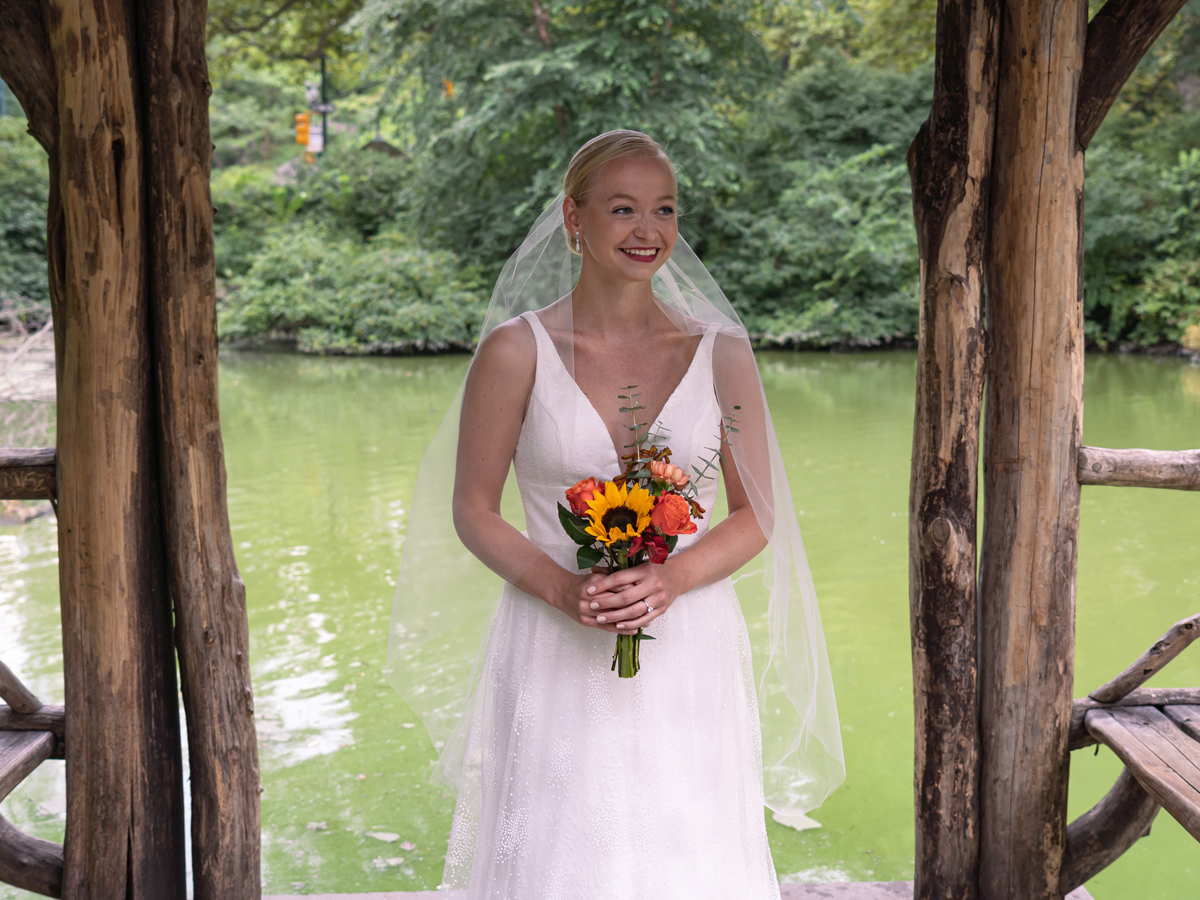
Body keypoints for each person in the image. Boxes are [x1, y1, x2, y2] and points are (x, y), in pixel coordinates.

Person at [389, 130, 843, 899]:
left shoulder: (721, 352)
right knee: (565, 856)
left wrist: (672, 579)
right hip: (554, 637)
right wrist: (558, 587)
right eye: (622, 208)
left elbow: (756, 514)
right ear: (573, 218)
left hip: (689, 644)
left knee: (688, 853)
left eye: (663, 209)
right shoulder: (516, 350)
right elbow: (472, 509)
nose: (648, 230)